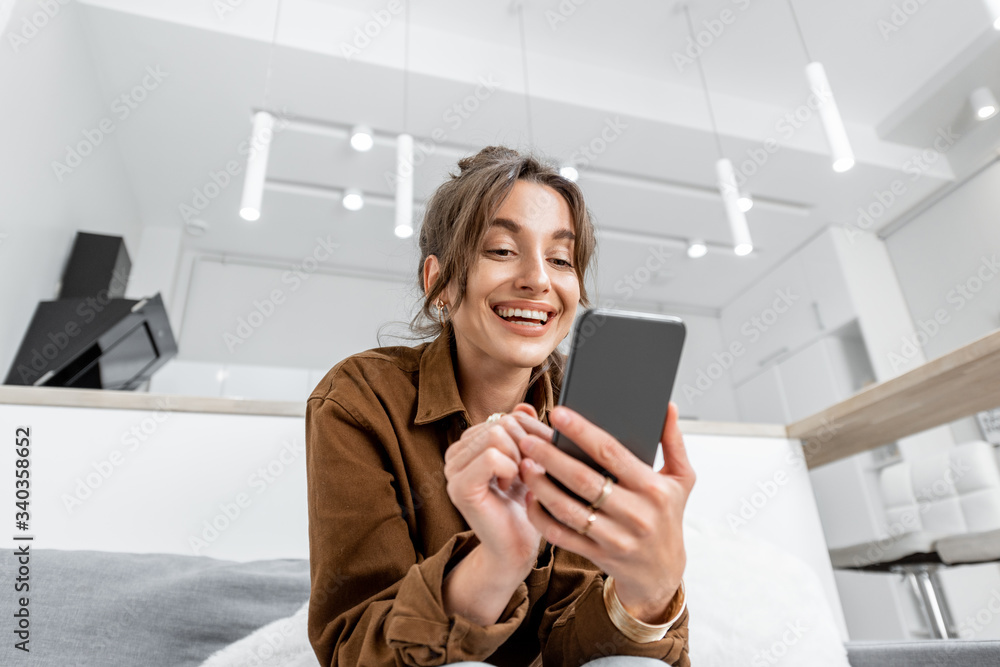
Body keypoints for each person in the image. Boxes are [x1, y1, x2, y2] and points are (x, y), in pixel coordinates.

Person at [305, 145, 695, 666]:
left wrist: (647, 595)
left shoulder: (587, 418)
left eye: (561, 259)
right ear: (438, 283)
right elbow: (353, 650)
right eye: (501, 250)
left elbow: (574, 652)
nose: (539, 279)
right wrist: (499, 561)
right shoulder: (360, 399)